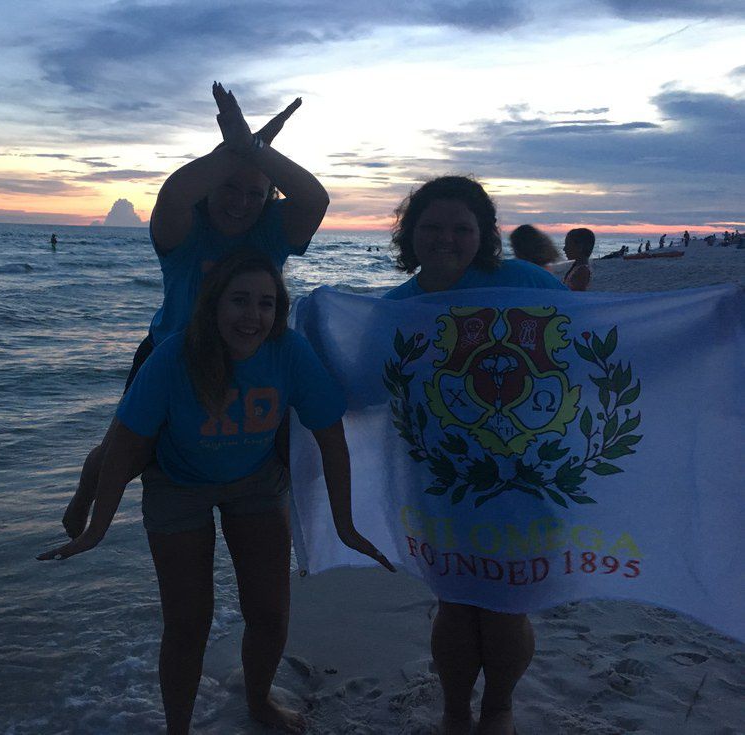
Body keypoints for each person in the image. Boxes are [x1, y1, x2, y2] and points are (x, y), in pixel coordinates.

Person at [39, 251, 394, 735]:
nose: (253, 316)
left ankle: (259, 701)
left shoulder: (288, 350)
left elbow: (330, 435)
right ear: (214, 305)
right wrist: (97, 527)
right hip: (177, 482)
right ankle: (178, 729)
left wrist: (345, 525)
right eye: (239, 300)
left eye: (266, 303)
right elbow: (123, 449)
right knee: (188, 624)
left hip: (255, 479)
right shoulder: (174, 356)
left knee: (270, 613)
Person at [61, 82, 328, 540]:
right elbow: (174, 193)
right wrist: (240, 145)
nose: (241, 202)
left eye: (255, 193)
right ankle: (86, 494)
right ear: (210, 187)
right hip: (170, 357)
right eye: (230, 188)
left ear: (268, 198)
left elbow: (315, 200)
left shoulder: (271, 231)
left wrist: (254, 148)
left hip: (251, 360)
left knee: (282, 452)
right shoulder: (185, 228)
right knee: (124, 454)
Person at [383, 176, 566, 735]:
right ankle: (456, 709)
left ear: (484, 234)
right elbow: (358, 388)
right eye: (432, 227)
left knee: (507, 604)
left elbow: (596, 344)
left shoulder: (524, 281)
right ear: (410, 234)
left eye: (462, 228)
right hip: (442, 481)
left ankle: (498, 707)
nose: (446, 239)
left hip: (527, 477)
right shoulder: (395, 308)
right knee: (457, 601)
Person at [563, 228, 594, 292]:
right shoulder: (577, 266)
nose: (564, 249)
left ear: (579, 247)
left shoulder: (582, 271)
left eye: (567, 245)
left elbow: (577, 295)